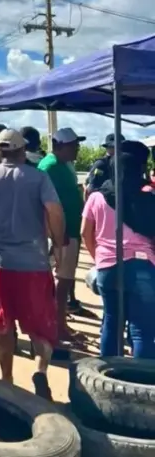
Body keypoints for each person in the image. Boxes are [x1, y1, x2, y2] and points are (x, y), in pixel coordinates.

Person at [0, 128, 65, 400]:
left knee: (2, 321)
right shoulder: (38, 178)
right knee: (40, 323)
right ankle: (41, 371)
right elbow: (55, 212)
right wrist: (57, 243)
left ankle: (7, 378)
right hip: (34, 263)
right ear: (23, 151)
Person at [81, 140, 155, 358]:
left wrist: (99, 257)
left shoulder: (97, 197)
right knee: (141, 330)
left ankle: (109, 376)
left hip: (107, 268)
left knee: (111, 324)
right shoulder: (148, 198)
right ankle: (141, 384)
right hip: (142, 266)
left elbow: (85, 231)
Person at [38, 128, 86, 344]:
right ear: (60, 146)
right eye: (73, 145)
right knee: (60, 282)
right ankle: (57, 327)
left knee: (64, 282)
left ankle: (59, 324)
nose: (77, 148)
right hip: (61, 234)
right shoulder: (49, 167)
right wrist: (58, 234)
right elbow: (45, 205)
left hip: (70, 231)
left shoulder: (63, 164)